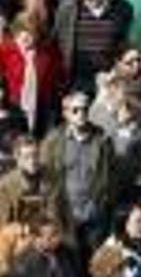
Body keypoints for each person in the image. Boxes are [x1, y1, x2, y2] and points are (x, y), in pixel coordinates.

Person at [41, 91, 115, 257]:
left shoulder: (102, 139)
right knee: (69, 260)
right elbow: (47, 176)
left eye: (85, 109)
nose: (81, 114)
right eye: (75, 110)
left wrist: (103, 201)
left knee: (94, 260)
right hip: (66, 212)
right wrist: (51, 207)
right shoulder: (54, 141)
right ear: (65, 113)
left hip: (93, 212)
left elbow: (110, 175)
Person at [53, 0, 133, 94]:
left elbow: (123, 42)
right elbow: (58, 38)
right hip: (77, 75)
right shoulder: (69, 7)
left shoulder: (122, 8)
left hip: (108, 74)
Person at [0, 13, 64, 136]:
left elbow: (58, 76)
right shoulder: (6, 50)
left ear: (38, 34)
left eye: (30, 32)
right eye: (20, 32)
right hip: (14, 105)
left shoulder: (48, 52)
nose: (24, 36)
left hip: (43, 105)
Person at [0, 135, 60, 225]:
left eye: (35, 156)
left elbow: (57, 213)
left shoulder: (51, 178)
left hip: (47, 231)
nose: (32, 161)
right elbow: (4, 223)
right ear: (18, 158)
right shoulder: (5, 186)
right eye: (26, 157)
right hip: (19, 233)